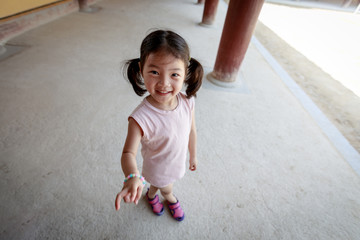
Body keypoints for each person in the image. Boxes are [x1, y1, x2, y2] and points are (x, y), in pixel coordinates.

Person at [115, 30, 203, 221]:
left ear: (185, 73)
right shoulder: (140, 118)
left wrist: (193, 155)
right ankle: (169, 198)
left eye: (174, 74)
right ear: (141, 69)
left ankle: (151, 195)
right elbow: (128, 153)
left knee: (156, 185)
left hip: (175, 162)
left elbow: (192, 130)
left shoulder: (188, 102)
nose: (164, 83)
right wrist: (132, 177)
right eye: (154, 72)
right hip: (156, 167)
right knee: (166, 186)